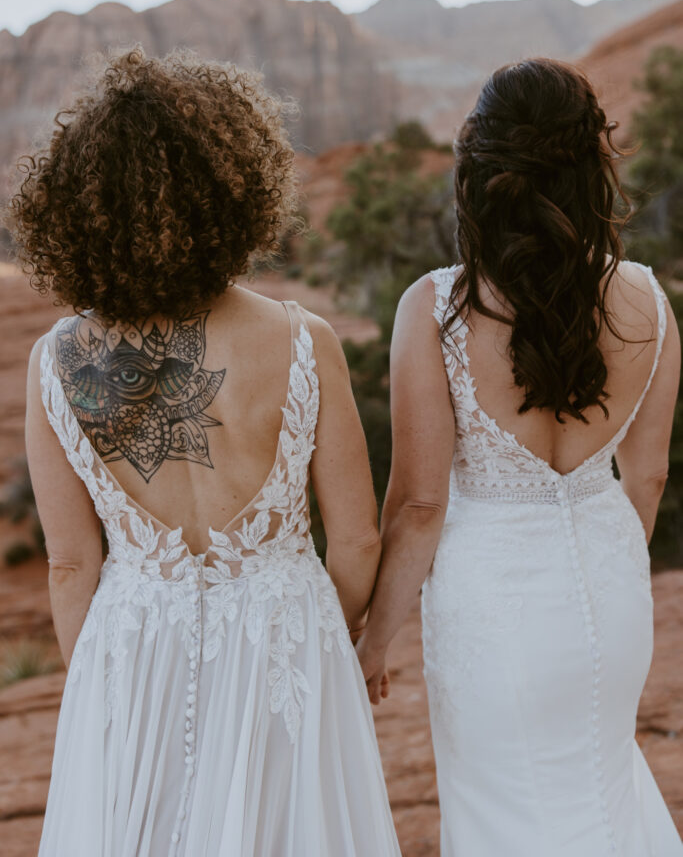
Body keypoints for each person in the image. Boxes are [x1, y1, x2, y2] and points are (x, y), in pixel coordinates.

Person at [10, 47, 401, 857]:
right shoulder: (301, 339)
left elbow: (71, 566)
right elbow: (358, 539)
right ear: (234, 186)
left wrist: (102, 686)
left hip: (132, 642)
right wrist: (347, 645)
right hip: (284, 640)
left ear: (82, 205)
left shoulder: (58, 360)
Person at [356, 58, 682, 856]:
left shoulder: (434, 308)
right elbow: (647, 477)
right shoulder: (647, 298)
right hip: (610, 591)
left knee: (507, 811)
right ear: (589, 167)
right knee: (602, 790)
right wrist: (598, 560)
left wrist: (371, 642)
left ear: (481, 171)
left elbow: (419, 505)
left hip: (493, 607)